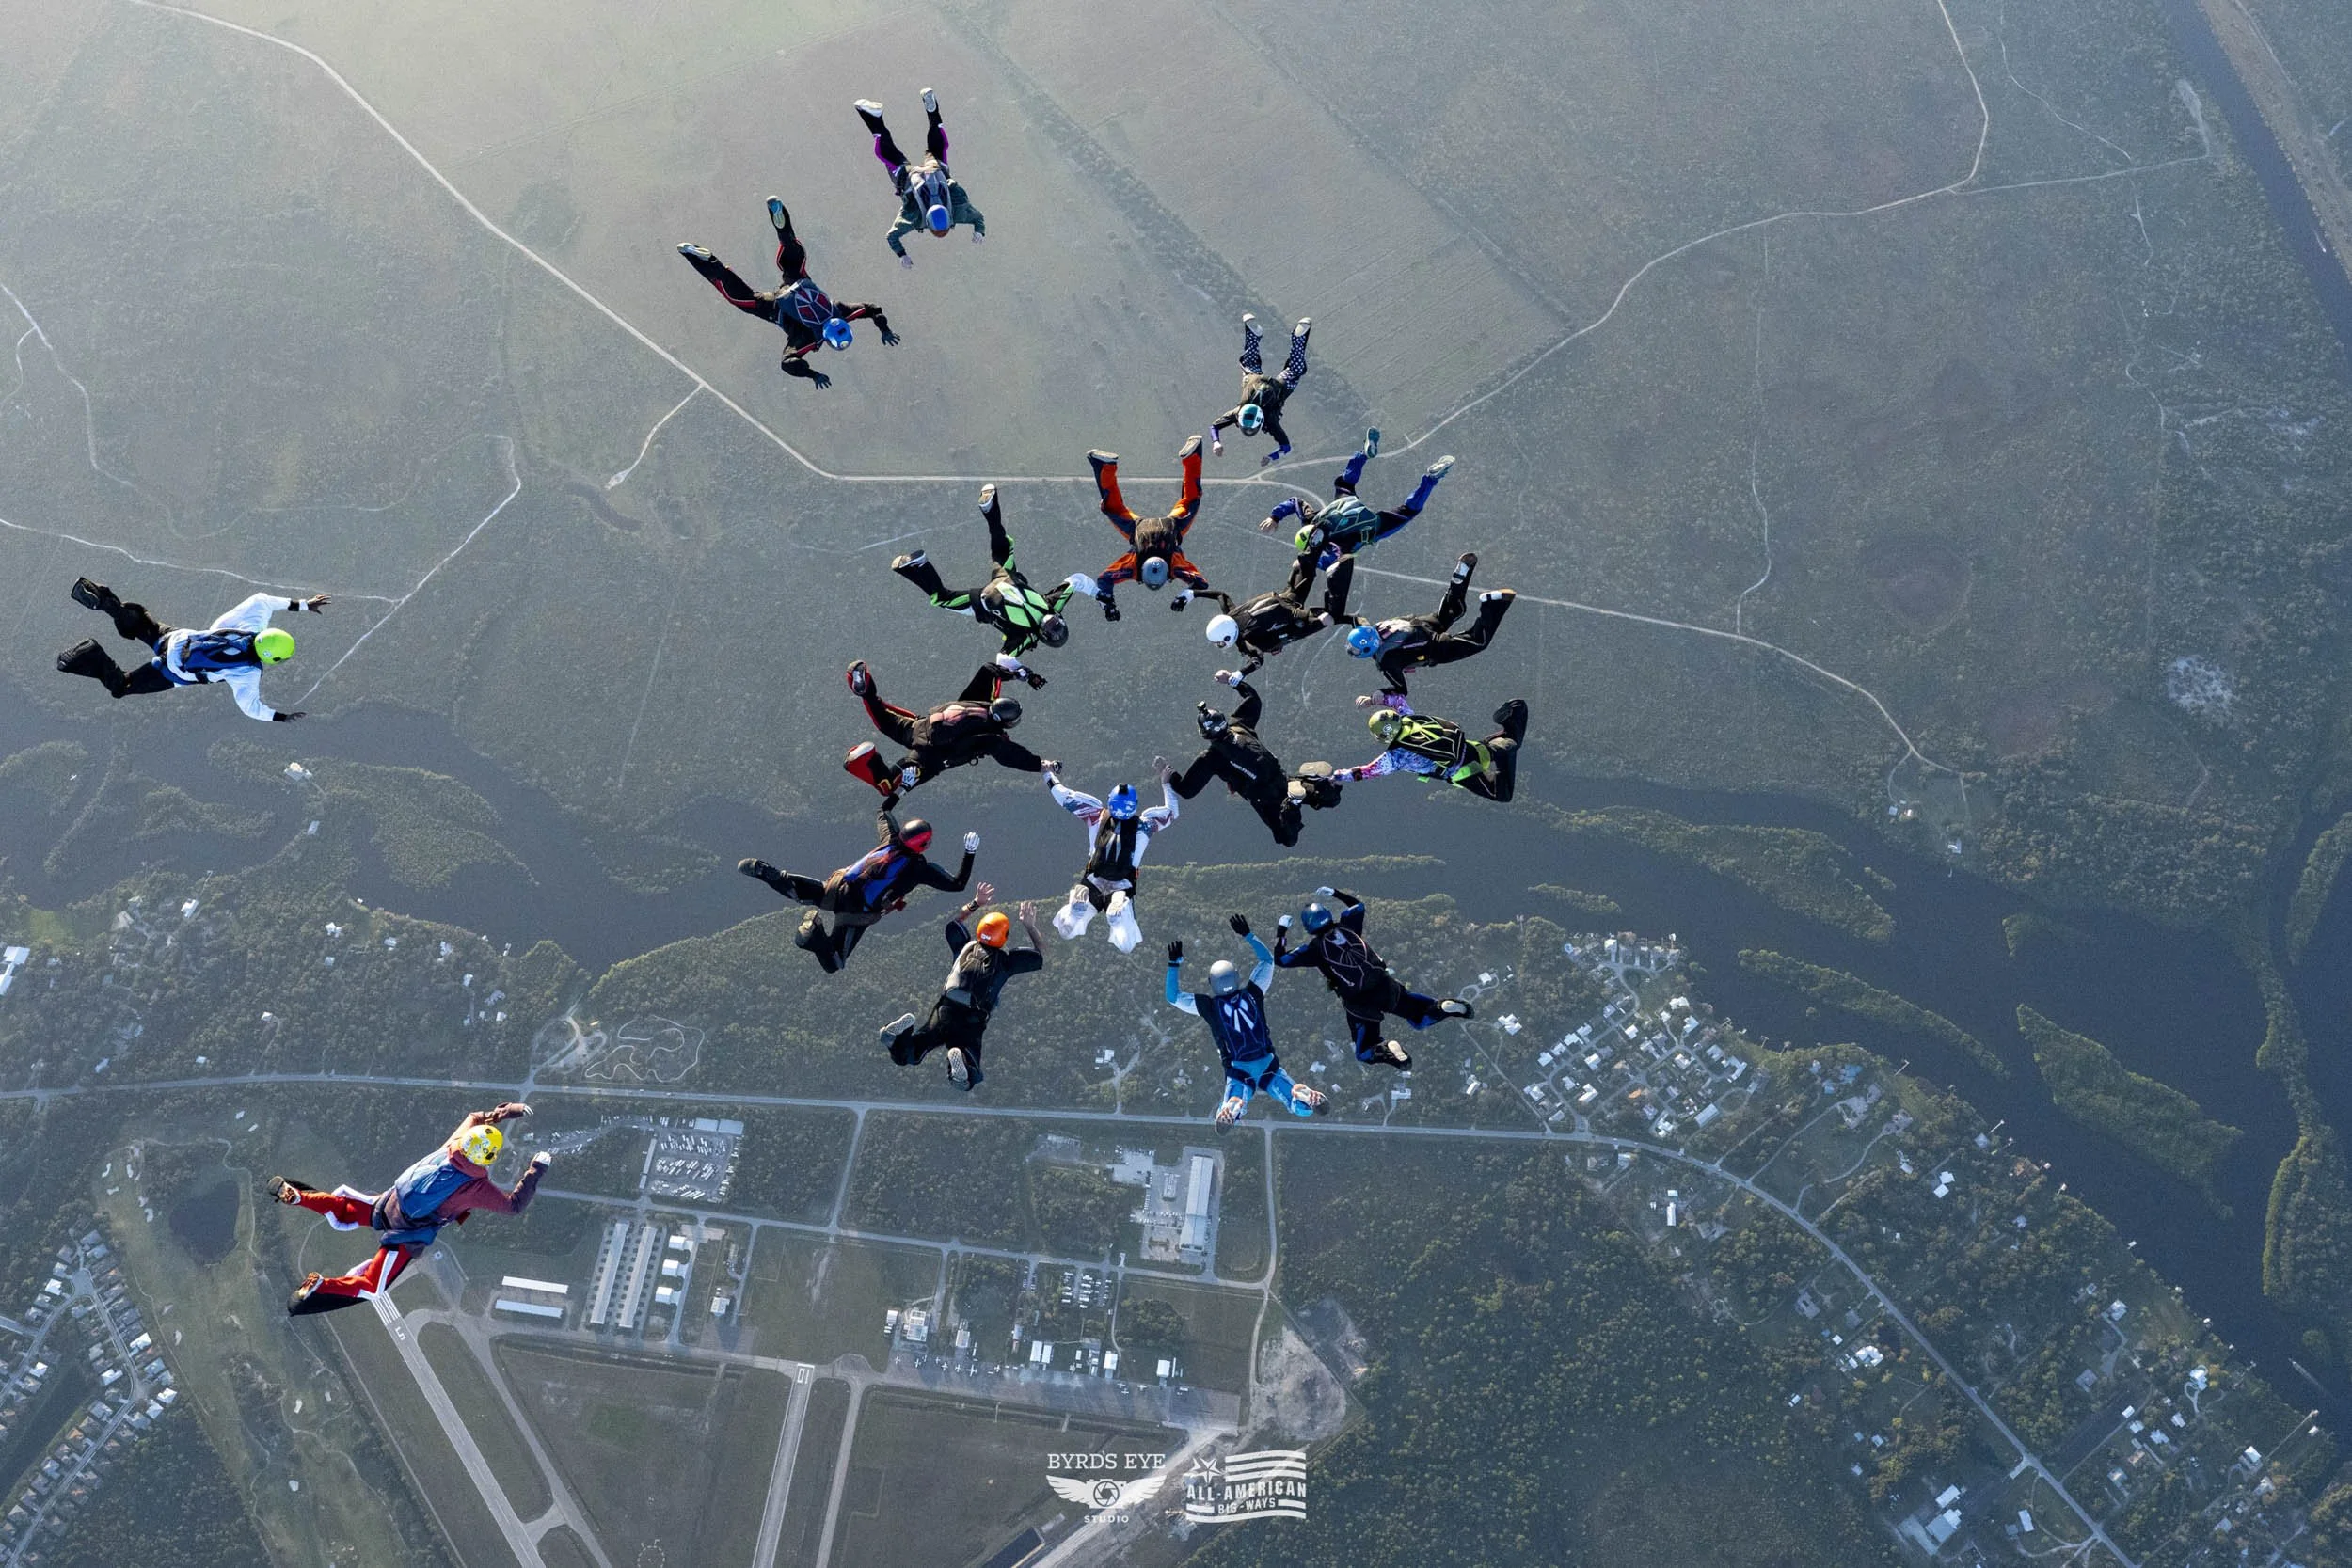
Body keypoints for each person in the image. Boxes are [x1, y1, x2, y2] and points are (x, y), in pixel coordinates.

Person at [270, 1104, 548, 1315]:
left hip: (390, 1204)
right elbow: (514, 1206)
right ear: (489, 1157)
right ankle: (320, 1286)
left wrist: (508, 1111)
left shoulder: (453, 1145)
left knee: (346, 1208)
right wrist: (535, 1169)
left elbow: (476, 1117)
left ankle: (299, 1196)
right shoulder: (476, 1187)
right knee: (373, 1285)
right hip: (409, 1232)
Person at [677, 198, 898, 388]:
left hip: (799, 282)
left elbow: (872, 309)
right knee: (741, 298)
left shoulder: (843, 312)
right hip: (777, 306)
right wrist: (812, 374)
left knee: (793, 255)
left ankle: (781, 221)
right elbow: (787, 363)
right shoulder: (809, 339)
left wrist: (884, 329)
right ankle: (708, 261)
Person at [738, 808, 977, 973]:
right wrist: (969, 853)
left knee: (798, 891)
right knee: (835, 963)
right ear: (923, 845)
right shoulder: (920, 869)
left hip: (838, 887)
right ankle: (814, 933)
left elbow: (883, 812)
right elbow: (957, 884)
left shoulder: (890, 839)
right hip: (857, 911)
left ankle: (770, 874)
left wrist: (901, 786)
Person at [56, 578, 328, 722]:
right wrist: (281, 718)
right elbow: (251, 708)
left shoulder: (250, 625)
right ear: (273, 658)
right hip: (172, 672)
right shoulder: (247, 673)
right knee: (121, 687)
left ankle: (108, 603)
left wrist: (303, 605)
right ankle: (90, 654)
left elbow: (262, 600)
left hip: (175, 639)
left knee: (137, 624)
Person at [1273, 887, 1472, 1071]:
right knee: (1419, 1016)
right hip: (1384, 985)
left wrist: (1282, 929)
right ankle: (1442, 1007)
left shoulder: (1314, 949)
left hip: (1359, 1002)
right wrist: (1335, 893)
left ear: (1309, 927)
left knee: (1365, 1051)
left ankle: (1387, 1049)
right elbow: (1357, 905)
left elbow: (1280, 959)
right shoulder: (1348, 927)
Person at [1167, 917, 1327, 1131]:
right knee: (1297, 1106)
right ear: (1236, 977)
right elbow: (1267, 961)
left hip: (1238, 1068)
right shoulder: (1254, 993)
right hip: (1268, 1064)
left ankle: (1234, 1106)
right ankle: (1300, 1095)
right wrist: (1248, 934)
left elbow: (1172, 996)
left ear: (1212, 984)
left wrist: (1174, 964)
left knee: (1234, 1099)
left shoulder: (1209, 1006)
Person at [878, 888, 1042, 1090]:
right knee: (970, 1070)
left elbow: (954, 923)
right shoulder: (1006, 961)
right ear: (1004, 936)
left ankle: (896, 1040)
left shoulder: (965, 946)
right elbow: (1040, 955)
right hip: (972, 1018)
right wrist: (1029, 925)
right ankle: (961, 1069)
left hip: (945, 1008)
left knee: (915, 1050)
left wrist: (976, 903)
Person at [892, 484, 1079, 660]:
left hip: (1006, 579)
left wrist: (1102, 597)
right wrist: (1024, 674)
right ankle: (920, 565)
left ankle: (990, 509)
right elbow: (1002, 659)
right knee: (941, 598)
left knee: (1001, 547)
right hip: (984, 601)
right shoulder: (1025, 637)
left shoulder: (1052, 604)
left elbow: (1077, 581)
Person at [843, 659, 1055, 801]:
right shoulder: (990, 737)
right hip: (927, 757)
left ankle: (862, 683)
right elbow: (1011, 754)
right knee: (888, 788)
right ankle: (866, 760)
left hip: (919, 725)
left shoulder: (980, 702)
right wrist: (1040, 765)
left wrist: (1019, 674)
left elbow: (990, 671)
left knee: (880, 712)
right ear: (1005, 722)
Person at [1263, 430, 1454, 572]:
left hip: (1371, 525)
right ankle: (1363, 454)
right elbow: (1295, 502)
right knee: (1345, 482)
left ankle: (1431, 478)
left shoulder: (1334, 547)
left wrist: (1302, 563)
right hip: (1347, 503)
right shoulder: (1311, 521)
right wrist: (1275, 517)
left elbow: (1331, 562)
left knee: (1408, 511)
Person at [1168, 673, 1321, 847]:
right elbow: (1254, 699)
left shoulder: (1211, 758)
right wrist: (1233, 681)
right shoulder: (1239, 725)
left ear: (1204, 734)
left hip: (1263, 797)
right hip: (1282, 778)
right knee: (1322, 797)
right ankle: (1321, 787)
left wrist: (1169, 775)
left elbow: (1186, 790)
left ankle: (1292, 806)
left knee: (1287, 838)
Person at [1046, 761, 1179, 952]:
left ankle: (1075, 914)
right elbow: (1172, 813)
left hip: (1093, 879)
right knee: (1127, 945)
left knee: (1066, 931)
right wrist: (1165, 782)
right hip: (1122, 885)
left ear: (1111, 802)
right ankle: (1118, 918)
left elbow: (1064, 797)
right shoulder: (1145, 825)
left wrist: (1048, 775)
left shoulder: (1096, 815)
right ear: (1134, 805)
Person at [1345, 552, 1515, 694]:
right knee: (1454, 610)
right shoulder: (1369, 627)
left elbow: (1401, 689)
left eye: (1355, 648)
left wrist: (1380, 693)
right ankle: (1460, 576)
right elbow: (1355, 618)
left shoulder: (1386, 663)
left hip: (1434, 647)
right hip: (1421, 624)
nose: (1352, 650)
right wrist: (1335, 616)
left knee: (1479, 641)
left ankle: (1493, 602)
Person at [1080, 436, 1209, 621]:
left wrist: (1184, 596)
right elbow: (1104, 580)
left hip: (1171, 526)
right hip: (1138, 529)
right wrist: (1108, 605)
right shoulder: (1133, 566)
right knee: (1112, 507)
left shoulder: (1175, 566)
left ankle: (1192, 456)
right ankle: (1104, 465)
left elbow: (1201, 583)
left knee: (1191, 499)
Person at [1186, 542, 1355, 675]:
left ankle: (1335, 574)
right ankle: (1318, 548)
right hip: (1284, 600)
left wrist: (1240, 673)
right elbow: (1220, 595)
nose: (1221, 645)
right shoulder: (1232, 615)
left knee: (1331, 617)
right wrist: (1192, 594)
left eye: (1221, 642)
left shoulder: (1244, 641)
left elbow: (1257, 659)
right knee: (1305, 572)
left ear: (1228, 635)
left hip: (1294, 623)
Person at [853, 92, 985, 262]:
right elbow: (892, 236)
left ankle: (933, 112)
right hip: (907, 177)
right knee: (885, 152)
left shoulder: (958, 212)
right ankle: (873, 117)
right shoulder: (914, 218)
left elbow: (978, 217)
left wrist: (980, 230)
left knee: (938, 147)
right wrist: (902, 255)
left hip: (935, 169)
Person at [1340, 692, 1528, 803]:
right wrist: (1372, 700)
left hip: (1464, 772)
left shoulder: (1394, 758)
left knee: (1503, 794)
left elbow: (1362, 772)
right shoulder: (1407, 718)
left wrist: (1333, 777)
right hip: (1471, 748)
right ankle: (1514, 713)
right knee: (1511, 741)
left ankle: (1506, 752)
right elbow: (1397, 699)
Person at [1207, 314, 1310, 466]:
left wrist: (1271, 457)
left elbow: (1286, 448)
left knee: (1295, 369)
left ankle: (1298, 339)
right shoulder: (1238, 413)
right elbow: (1214, 427)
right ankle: (1253, 335)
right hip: (1253, 378)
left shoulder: (1270, 421)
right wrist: (1216, 442)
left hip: (1278, 386)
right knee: (1249, 360)